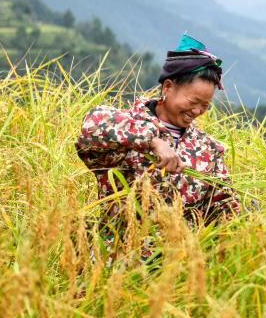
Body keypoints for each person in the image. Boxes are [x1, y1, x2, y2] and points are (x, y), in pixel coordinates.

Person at [76, 34, 241, 226]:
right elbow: (93, 124)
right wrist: (152, 141)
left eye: (205, 105)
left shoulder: (208, 150)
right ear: (168, 87)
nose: (197, 111)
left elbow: (224, 208)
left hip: (179, 254)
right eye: (193, 101)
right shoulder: (127, 126)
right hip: (122, 252)